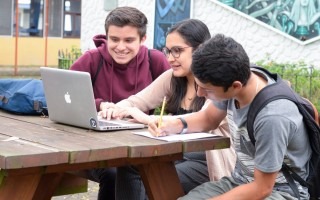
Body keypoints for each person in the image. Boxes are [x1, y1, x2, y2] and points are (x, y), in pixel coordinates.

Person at [149, 33, 312, 200]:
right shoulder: (236, 74)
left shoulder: (272, 117)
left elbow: (262, 189)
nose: (199, 93)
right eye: (198, 85)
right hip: (239, 181)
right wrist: (173, 125)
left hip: (281, 192)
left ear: (236, 86)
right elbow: (208, 119)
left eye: (207, 89)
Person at [100, 19, 236, 200]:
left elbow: (202, 120)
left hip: (205, 162)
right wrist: (114, 109)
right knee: (126, 167)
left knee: (150, 184)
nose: (170, 58)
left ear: (201, 49)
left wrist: (145, 118)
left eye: (178, 51)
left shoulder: (216, 81)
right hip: (171, 154)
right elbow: (135, 101)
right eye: (168, 51)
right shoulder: (172, 78)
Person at [70, 6, 170, 200]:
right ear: (106, 37)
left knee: (149, 174)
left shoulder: (154, 60)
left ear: (143, 39)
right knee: (113, 173)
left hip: (141, 147)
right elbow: (63, 93)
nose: (120, 47)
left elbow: (175, 101)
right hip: (93, 148)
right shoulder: (92, 59)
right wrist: (99, 104)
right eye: (114, 39)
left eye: (129, 40)